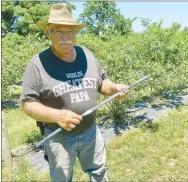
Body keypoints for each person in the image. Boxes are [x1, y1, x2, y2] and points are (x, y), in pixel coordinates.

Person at [21, 4, 128, 182]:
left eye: (70, 31)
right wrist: (57, 116)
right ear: (48, 33)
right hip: (59, 137)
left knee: (99, 172)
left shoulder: (86, 54)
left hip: (91, 131)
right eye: (58, 32)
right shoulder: (37, 64)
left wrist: (115, 88)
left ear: (75, 34)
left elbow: (101, 84)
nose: (65, 37)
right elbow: (27, 104)